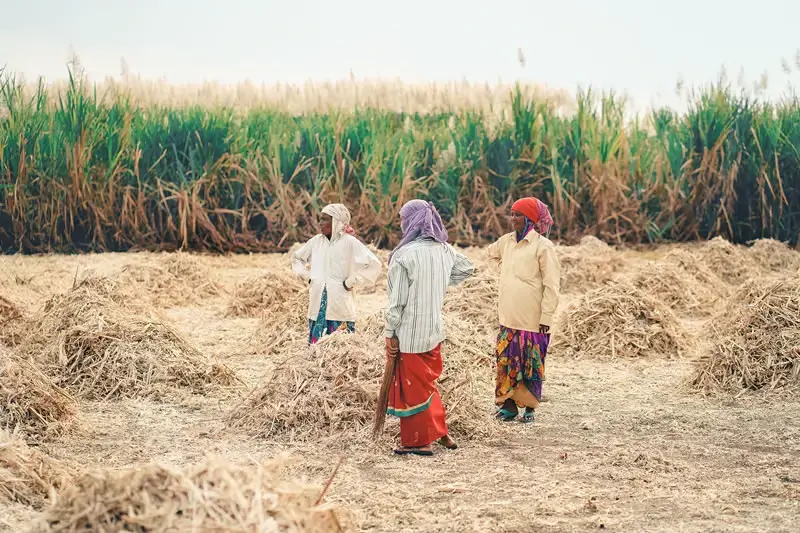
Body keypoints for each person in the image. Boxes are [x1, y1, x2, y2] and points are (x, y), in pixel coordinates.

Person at [384, 199, 475, 456]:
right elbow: (468, 268)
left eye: (403, 219)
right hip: (434, 330)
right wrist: (442, 279)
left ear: (411, 222)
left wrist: (389, 334)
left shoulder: (404, 255)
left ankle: (418, 441)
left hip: (410, 333)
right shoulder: (445, 251)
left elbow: (397, 303)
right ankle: (442, 432)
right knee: (428, 383)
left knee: (415, 388)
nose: (402, 224)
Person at [487, 196, 560, 423]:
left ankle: (528, 408)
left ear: (529, 219)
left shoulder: (542, 246)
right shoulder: (506, 242)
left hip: (532, 320)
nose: (513, 219)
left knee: (531, 364)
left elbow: (552, 285)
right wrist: (504, 270)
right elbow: (491, 253)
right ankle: (508, 407)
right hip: (508, 317)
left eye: (518, 215)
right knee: (505, 362)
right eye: (512, 214)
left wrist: (546, 315)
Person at [292, 203, 381, 344]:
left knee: (340, 349)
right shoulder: (316, 242)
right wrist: (309, 277)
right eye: (320, 219)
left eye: (325, 219)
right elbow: (297, 258)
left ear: (337, 222)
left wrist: (351, 282)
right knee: (316, 350)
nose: (320, 223)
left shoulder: (350, 243)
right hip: (317, 300)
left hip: (340, 302)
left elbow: (374, 264)